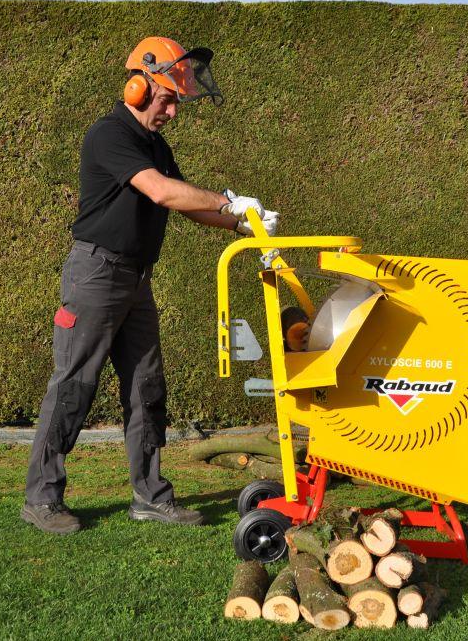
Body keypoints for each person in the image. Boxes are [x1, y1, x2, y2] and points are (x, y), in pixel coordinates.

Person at [21, 37, 279, 534]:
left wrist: (242, 224)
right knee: (74, 386)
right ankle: (42, 498)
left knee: (146, 388)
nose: (172, 111)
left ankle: (150, 497)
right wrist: (230, 201)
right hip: (95, 274)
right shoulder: (108, 135)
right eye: (167, 99)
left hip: (136, 279)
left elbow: (184, 202)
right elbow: (160, 190)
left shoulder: (156, 145)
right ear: (138, 86)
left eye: (177, 102)